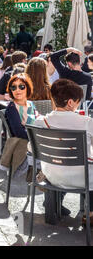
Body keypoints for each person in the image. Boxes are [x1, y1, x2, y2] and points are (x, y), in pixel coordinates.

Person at [34, 79, 93, 224]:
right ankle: (90, 213)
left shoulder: (40, 122)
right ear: (71, 102)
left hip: (51, 176)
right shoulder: (87, 122)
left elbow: (31, 148)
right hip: (82, 178)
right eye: (78, 101)